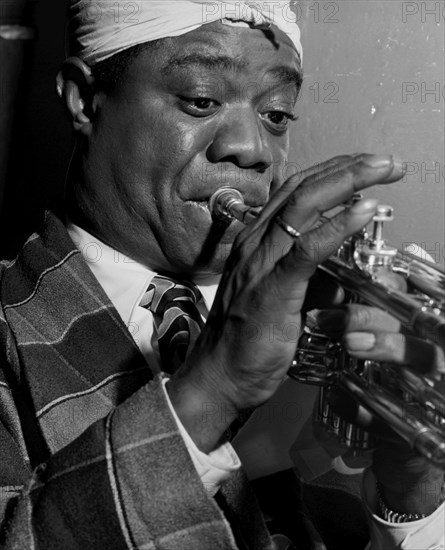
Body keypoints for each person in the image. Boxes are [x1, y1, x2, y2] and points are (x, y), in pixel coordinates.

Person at [0, 1, 443, 548]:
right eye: (201, 100)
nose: (253, 149)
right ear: (85, 99)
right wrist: (213, 389)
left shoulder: (321, 326)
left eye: (276, 114)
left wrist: (413, 497)